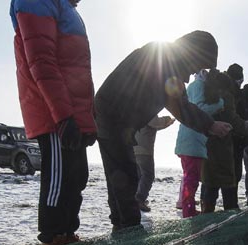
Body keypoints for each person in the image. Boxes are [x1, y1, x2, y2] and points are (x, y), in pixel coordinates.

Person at [93, 31, 232, 231]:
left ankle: (123, 226)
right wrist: (211, 125)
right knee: (125, 177)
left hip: (117, 121)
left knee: (121, 176)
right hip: (112, 119)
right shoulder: (164, 62)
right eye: (200, 63)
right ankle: (128, 230)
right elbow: (181, 107)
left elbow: (177, 104)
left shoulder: (168, 61)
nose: (196, 70)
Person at [11, 0, 97, 245]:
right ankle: (52, 238)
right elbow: (42, 61)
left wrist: (88, 119)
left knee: (77, 175)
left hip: (73, 114)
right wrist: (63, 117)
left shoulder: (69, 10)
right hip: (54, 115)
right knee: (59, 178)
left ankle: (68, 232)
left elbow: (79, 72)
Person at [200, 69, 248, 212]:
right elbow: (231, 117)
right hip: (222, 144)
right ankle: (231, 212)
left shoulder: (207, 94)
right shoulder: (226, 96)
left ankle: (206, 214)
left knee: (210, 182)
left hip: (206, 143)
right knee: (228, 181)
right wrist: (246, 126)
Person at [174, 71, 224, 218]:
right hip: (191, 140)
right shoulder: (198, 85)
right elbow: (198, 109)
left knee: (192, 178)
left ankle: (188, 209)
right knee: (191, 179)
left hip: (194, 140)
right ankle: (188, 212)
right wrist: (219, 104)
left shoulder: (197, 85)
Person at [133, 115, 175, 212]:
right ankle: (139, 199)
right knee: (148, 175)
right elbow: (155, 122)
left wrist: (167, 124)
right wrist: (167, 119)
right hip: (144, 150)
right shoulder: (148, 109)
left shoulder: (136, 110)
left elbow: (154, 126)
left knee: (140, 176)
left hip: (135, 149)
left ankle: (136, 199)